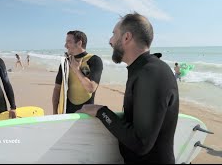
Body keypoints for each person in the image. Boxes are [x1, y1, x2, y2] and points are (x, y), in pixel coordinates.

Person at [76, 13, 179, 163]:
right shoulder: (144, 69)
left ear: (126, 37)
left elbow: (141, 143)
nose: (110, 41)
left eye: (113, 34)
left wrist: (101, 111)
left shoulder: (150, 73)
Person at [52, 30, 103, 114]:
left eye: (69, 42)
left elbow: (91, 88)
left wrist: (76, 70)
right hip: (67, 112)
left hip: (86, 113)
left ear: (79, 43)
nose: (65, 46)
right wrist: (55, 113)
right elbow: (57, 89)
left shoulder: (94, 60)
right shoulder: (65, 63)